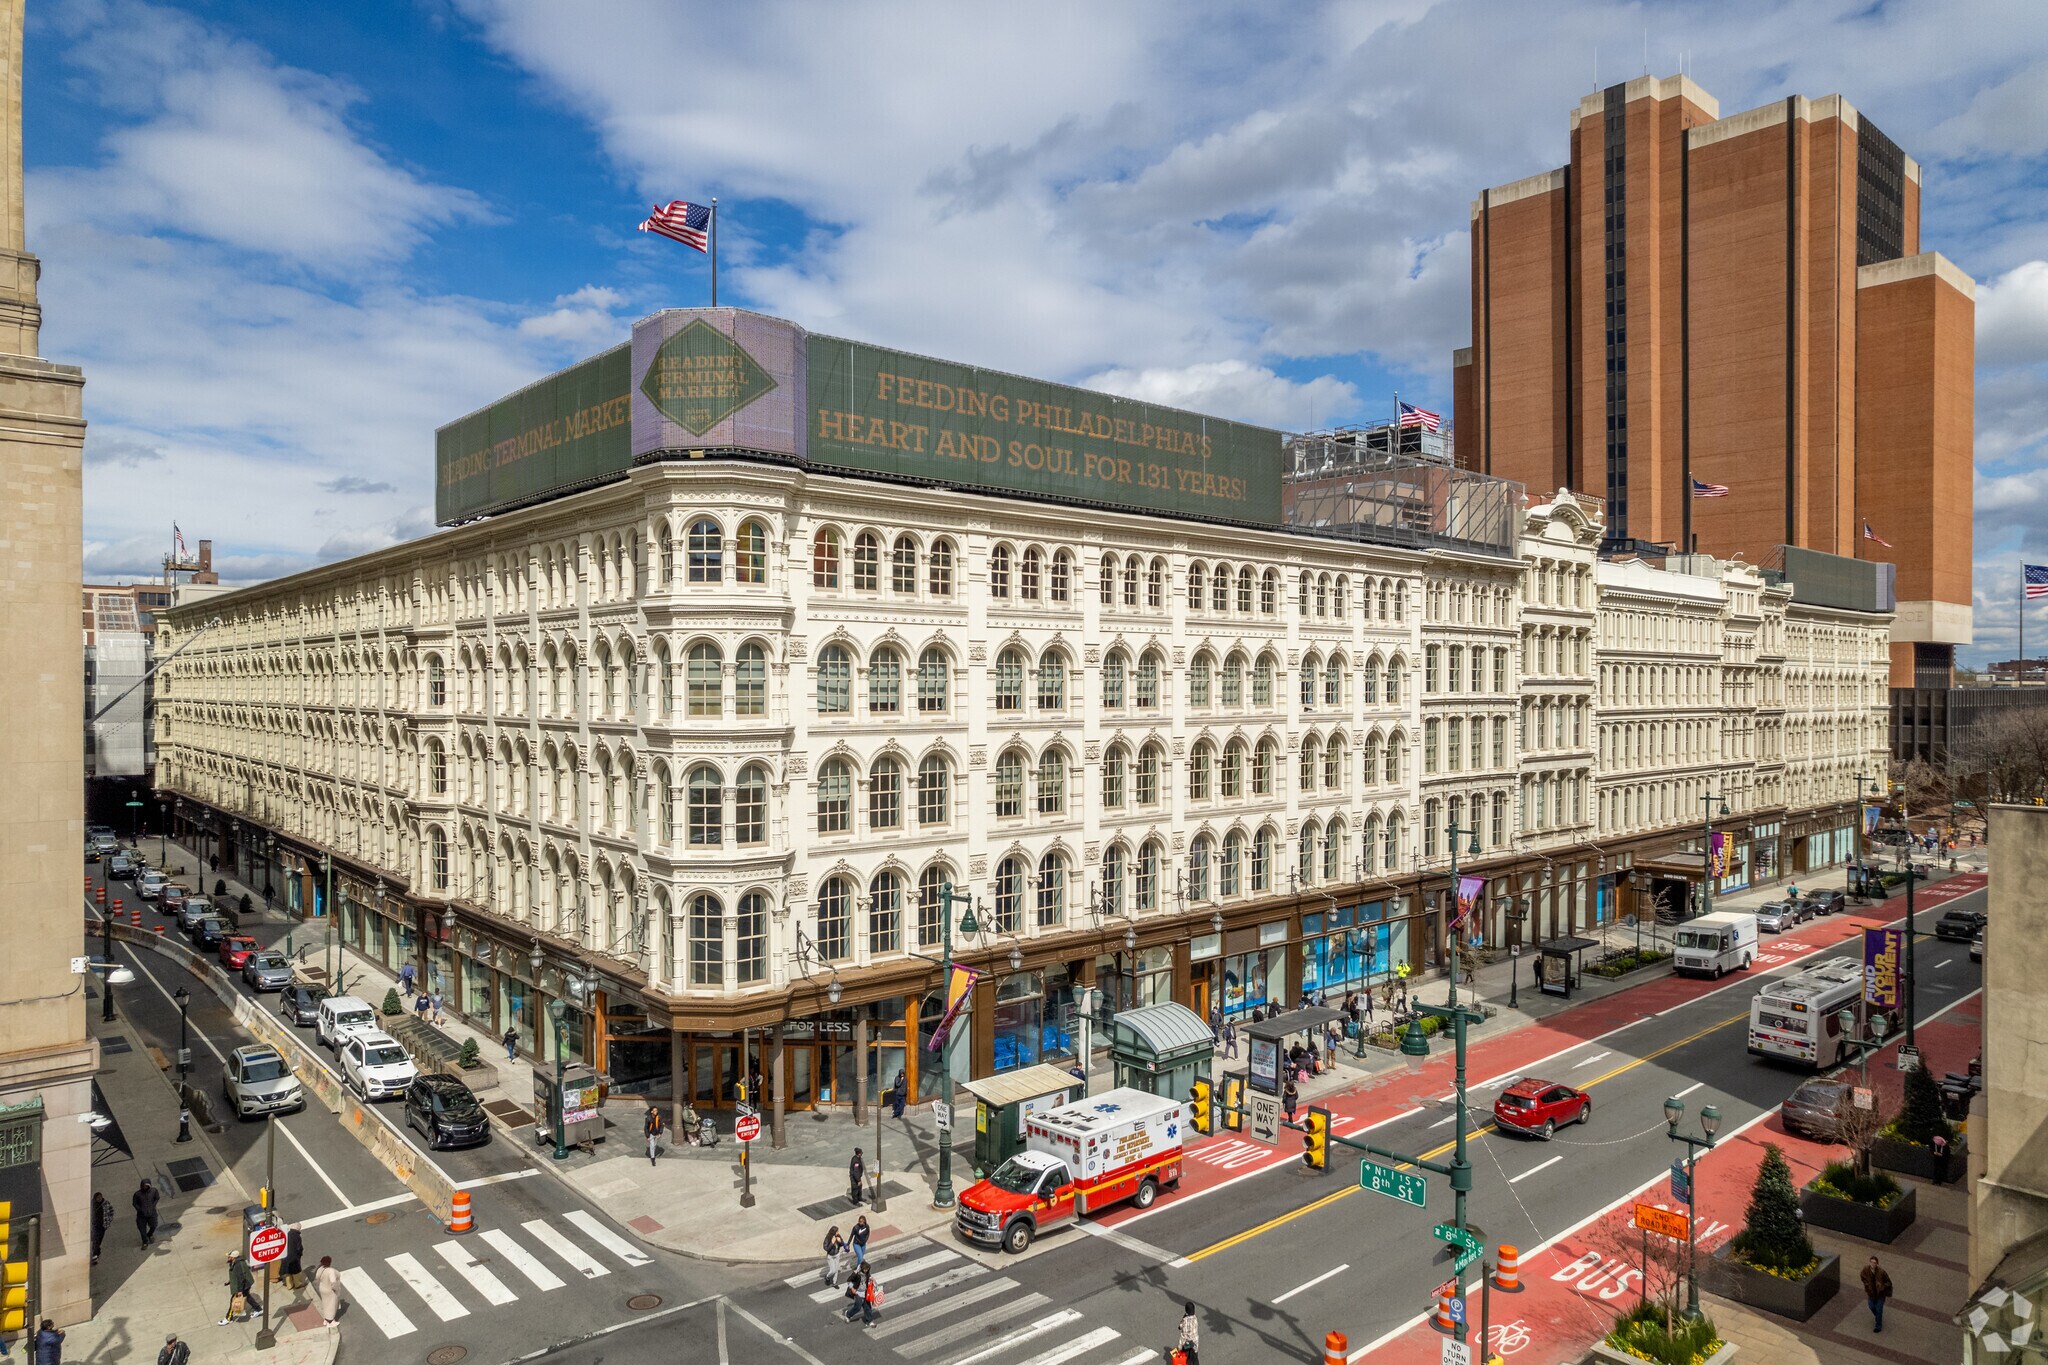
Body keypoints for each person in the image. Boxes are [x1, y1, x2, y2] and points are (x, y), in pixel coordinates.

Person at [220, 1249, 254, 1325]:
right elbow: (235, 1275)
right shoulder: (234, 1262)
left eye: (229, 1256)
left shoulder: (238, 1265)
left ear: (233, 1257)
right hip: (246, 1284)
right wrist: (229, 1281)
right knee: (248, 1297)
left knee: (233, 1300)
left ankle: (228, 1318)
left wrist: (240, 1291)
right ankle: (258, 1309)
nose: (228, 1257)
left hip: (243, 1285)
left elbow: (241, 1278)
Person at [1862, 1255, 1893, 1333]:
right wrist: (1866, 1284)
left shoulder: (1881, 1272)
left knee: (1879, 1310)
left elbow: (1889, 1282)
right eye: (1871, 1262)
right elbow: (1862, 1276)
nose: (1873, 1264)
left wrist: (1882, 1286)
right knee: (1871, 1306)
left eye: (1874, 1263)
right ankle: (1878, 1317)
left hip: (1880, 1295)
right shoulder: (1866, 1269)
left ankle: (1878, 1326)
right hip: (1871, 1294)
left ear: (1877, 1264)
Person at [311, 1255, 343, 1325]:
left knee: (325, 1304)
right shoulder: (330, 1271)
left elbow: (317, 1277)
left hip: (322, 1288)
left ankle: (326, 1320)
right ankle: (331, 1321)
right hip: (330, 1290)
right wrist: (336, 1289)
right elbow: (333, 1281)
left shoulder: (320, 1269)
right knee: (331, 1305)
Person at [132, 1177, 160, 1248]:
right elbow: (134, 1203)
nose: (145, 1187)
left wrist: (153, 1206)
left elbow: (157, 1198)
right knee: (142, 1229)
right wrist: (139, 1209)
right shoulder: (137, 1194)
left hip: (152, 1213)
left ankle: (150, 1234)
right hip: (141, 1215)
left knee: (154, 1225)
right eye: (144, 1185)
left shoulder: (154, 1191)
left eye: (147, 1186)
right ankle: (145, 1241)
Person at [91, 1192, 114, 1265]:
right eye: (98, 1198)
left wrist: (109, 1220)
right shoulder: (92, 1205)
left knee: (99, 1239)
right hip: (95, 1226)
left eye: (100, 1197)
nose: (99, 1199)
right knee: (96, 1240)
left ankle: (97, 1250)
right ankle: (95, 1255)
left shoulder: (106, 1203)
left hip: (103, 1226)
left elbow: (111, 1211)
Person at [281, 1222, 305, 1291]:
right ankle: (298, 1284)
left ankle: (289, 1285)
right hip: (293, 1257)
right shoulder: (297, 1236)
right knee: (296, 1272)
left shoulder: (287, 1234)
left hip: (285, 1256)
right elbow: (299, 1248)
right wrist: (300, 1253)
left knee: (288, 1272)